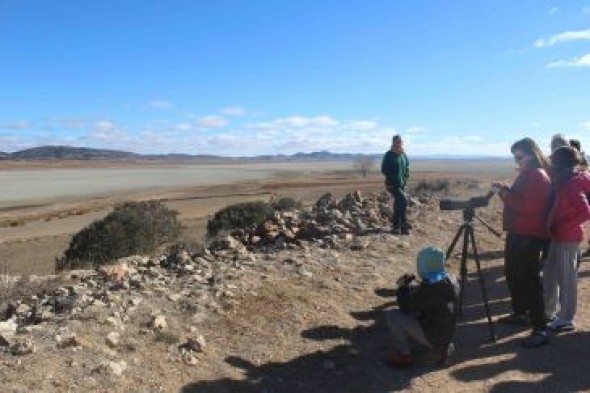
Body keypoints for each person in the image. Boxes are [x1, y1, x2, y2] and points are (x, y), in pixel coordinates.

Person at [492, 137, 551, 347]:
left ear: (531, 154)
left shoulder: (538, 176)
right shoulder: (528, 174)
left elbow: (528, 207)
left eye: (519, 156)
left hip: (529, 235)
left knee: (529, 281)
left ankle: (540, 329)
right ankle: (520, 314)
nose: (516, 160)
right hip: (518, 232)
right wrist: (506, 192)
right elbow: (519, 199)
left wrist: (505, 194)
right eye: (514, 157)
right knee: (513, 275)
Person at [385, 246, 460, 368]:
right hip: (446, 335)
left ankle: (404, 356)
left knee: (393, 316)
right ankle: (443, 348)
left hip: (434, 337)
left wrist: (403, 287)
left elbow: (406, 308)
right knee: (424, 314)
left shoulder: (430, 289)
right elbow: (429, 299)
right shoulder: (451, 280)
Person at [543, 146, 590, 332]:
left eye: (553, 160)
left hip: (567, 237)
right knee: (551, 273)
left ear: (560, 162)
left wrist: (563, 225)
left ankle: (566, 318)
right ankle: (551, 312)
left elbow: (586, 211)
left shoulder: (571, 183)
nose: (551, 163)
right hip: (560, 236)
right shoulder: (567, 179)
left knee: (567, 278)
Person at [381, 134, 410, 234]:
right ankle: (403, 224)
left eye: (400, 141)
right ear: (393, 142)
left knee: (398, 204)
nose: (398, 143)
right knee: (404, 201)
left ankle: (396, 226)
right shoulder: (389, 155)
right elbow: (384, 169)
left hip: (401, 184)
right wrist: (393, 178)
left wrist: (405, 179)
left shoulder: (403, 155)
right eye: (397, 142)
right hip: (392, 184)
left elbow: (407, 168)